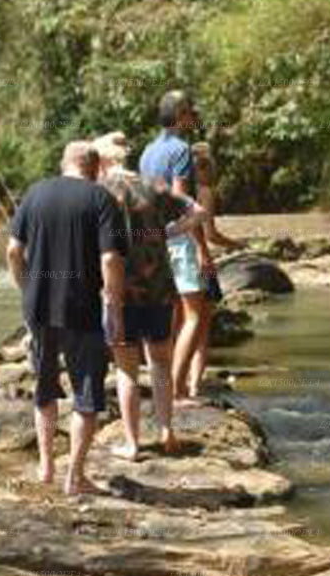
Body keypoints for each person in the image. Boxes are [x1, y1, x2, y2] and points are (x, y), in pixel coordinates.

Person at [7, 141, 125, 495]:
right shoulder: (101, 199)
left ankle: (45, 468)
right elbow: (109, 260)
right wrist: (115, 305)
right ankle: (74, 477)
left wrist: (26, 289)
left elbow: (14, 250)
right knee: (86, 393)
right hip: (83, 309)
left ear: (64, 164)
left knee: (44, 388)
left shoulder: (35, 193)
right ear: (94, 167)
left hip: (39, 308)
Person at [92, 132, 208, 459]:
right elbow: (198, 212)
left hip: (121, 291)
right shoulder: (155, 184)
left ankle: (132, 443)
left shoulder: (101, 192)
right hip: (159, 285)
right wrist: (168, 232)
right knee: (160, 360)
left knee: (127, 369)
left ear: (102, 162)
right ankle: (167, 431)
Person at [138, 90, 212, 406]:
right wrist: (202, 248)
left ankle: (165, 386)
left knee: (170, 317)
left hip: (151, 240)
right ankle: (179, 389)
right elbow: (180, 200)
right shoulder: (180, 149)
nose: (192, 118)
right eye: (189, 113)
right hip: (178, 238)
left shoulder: (146, 152)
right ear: (181, 115)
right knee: (196, 313)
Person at [187, 142, 246, 400]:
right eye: (212, 169)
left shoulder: (174, 188)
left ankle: (178, 383)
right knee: (201, 329)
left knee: (181, 325)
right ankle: (193, 386)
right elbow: (211, 234)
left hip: (174, 260)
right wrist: (238, 244)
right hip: (199, 263)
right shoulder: (205, 192)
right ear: (205, 169)